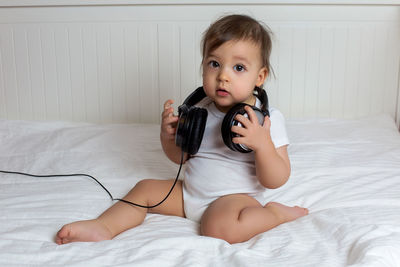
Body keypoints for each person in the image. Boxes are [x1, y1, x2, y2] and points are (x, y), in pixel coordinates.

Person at [56, 14, 308, 245]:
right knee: (144, 188)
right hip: (190, 194)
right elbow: (181, 158)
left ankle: (275, 214)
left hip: (234, 200)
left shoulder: (266, 120)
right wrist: (168, 138)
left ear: (260, 77)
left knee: (219, 228)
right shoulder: (199, 111)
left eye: (238, 68)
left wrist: (262, 144)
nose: (223, 76)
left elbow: (277, 178)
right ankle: (104, 226)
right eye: (214, 63)